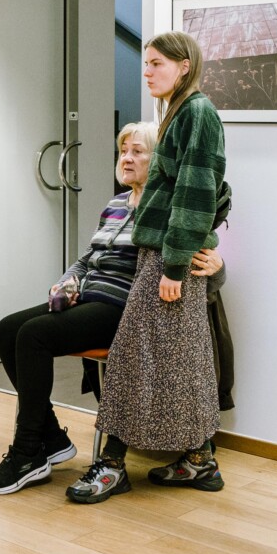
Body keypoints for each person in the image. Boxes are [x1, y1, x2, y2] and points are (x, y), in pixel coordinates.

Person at [0, 121, 225, 495]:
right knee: (8, 328)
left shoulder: (168, 212)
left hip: (124, 311)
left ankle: (28, 451)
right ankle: (51, 437)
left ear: (159, 160)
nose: (126, 158)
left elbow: (204, 268)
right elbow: (89, 257)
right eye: (123, 151)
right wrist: (67, 281)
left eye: (137, 152)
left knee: (33, 335)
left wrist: (218, 266)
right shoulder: (115, 204)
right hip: (88, 297)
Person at [69, 30, 228, 503]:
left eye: (157, 63)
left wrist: (173, 268)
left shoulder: (196, 111)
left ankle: (113, 464)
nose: (147, 71)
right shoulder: (180, 111)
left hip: (167, 259)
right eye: (147, 63)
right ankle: (200, 460)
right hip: (162, 255)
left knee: (131, 359)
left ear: (184, 65)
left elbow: (197, 193)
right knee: (179, 363)